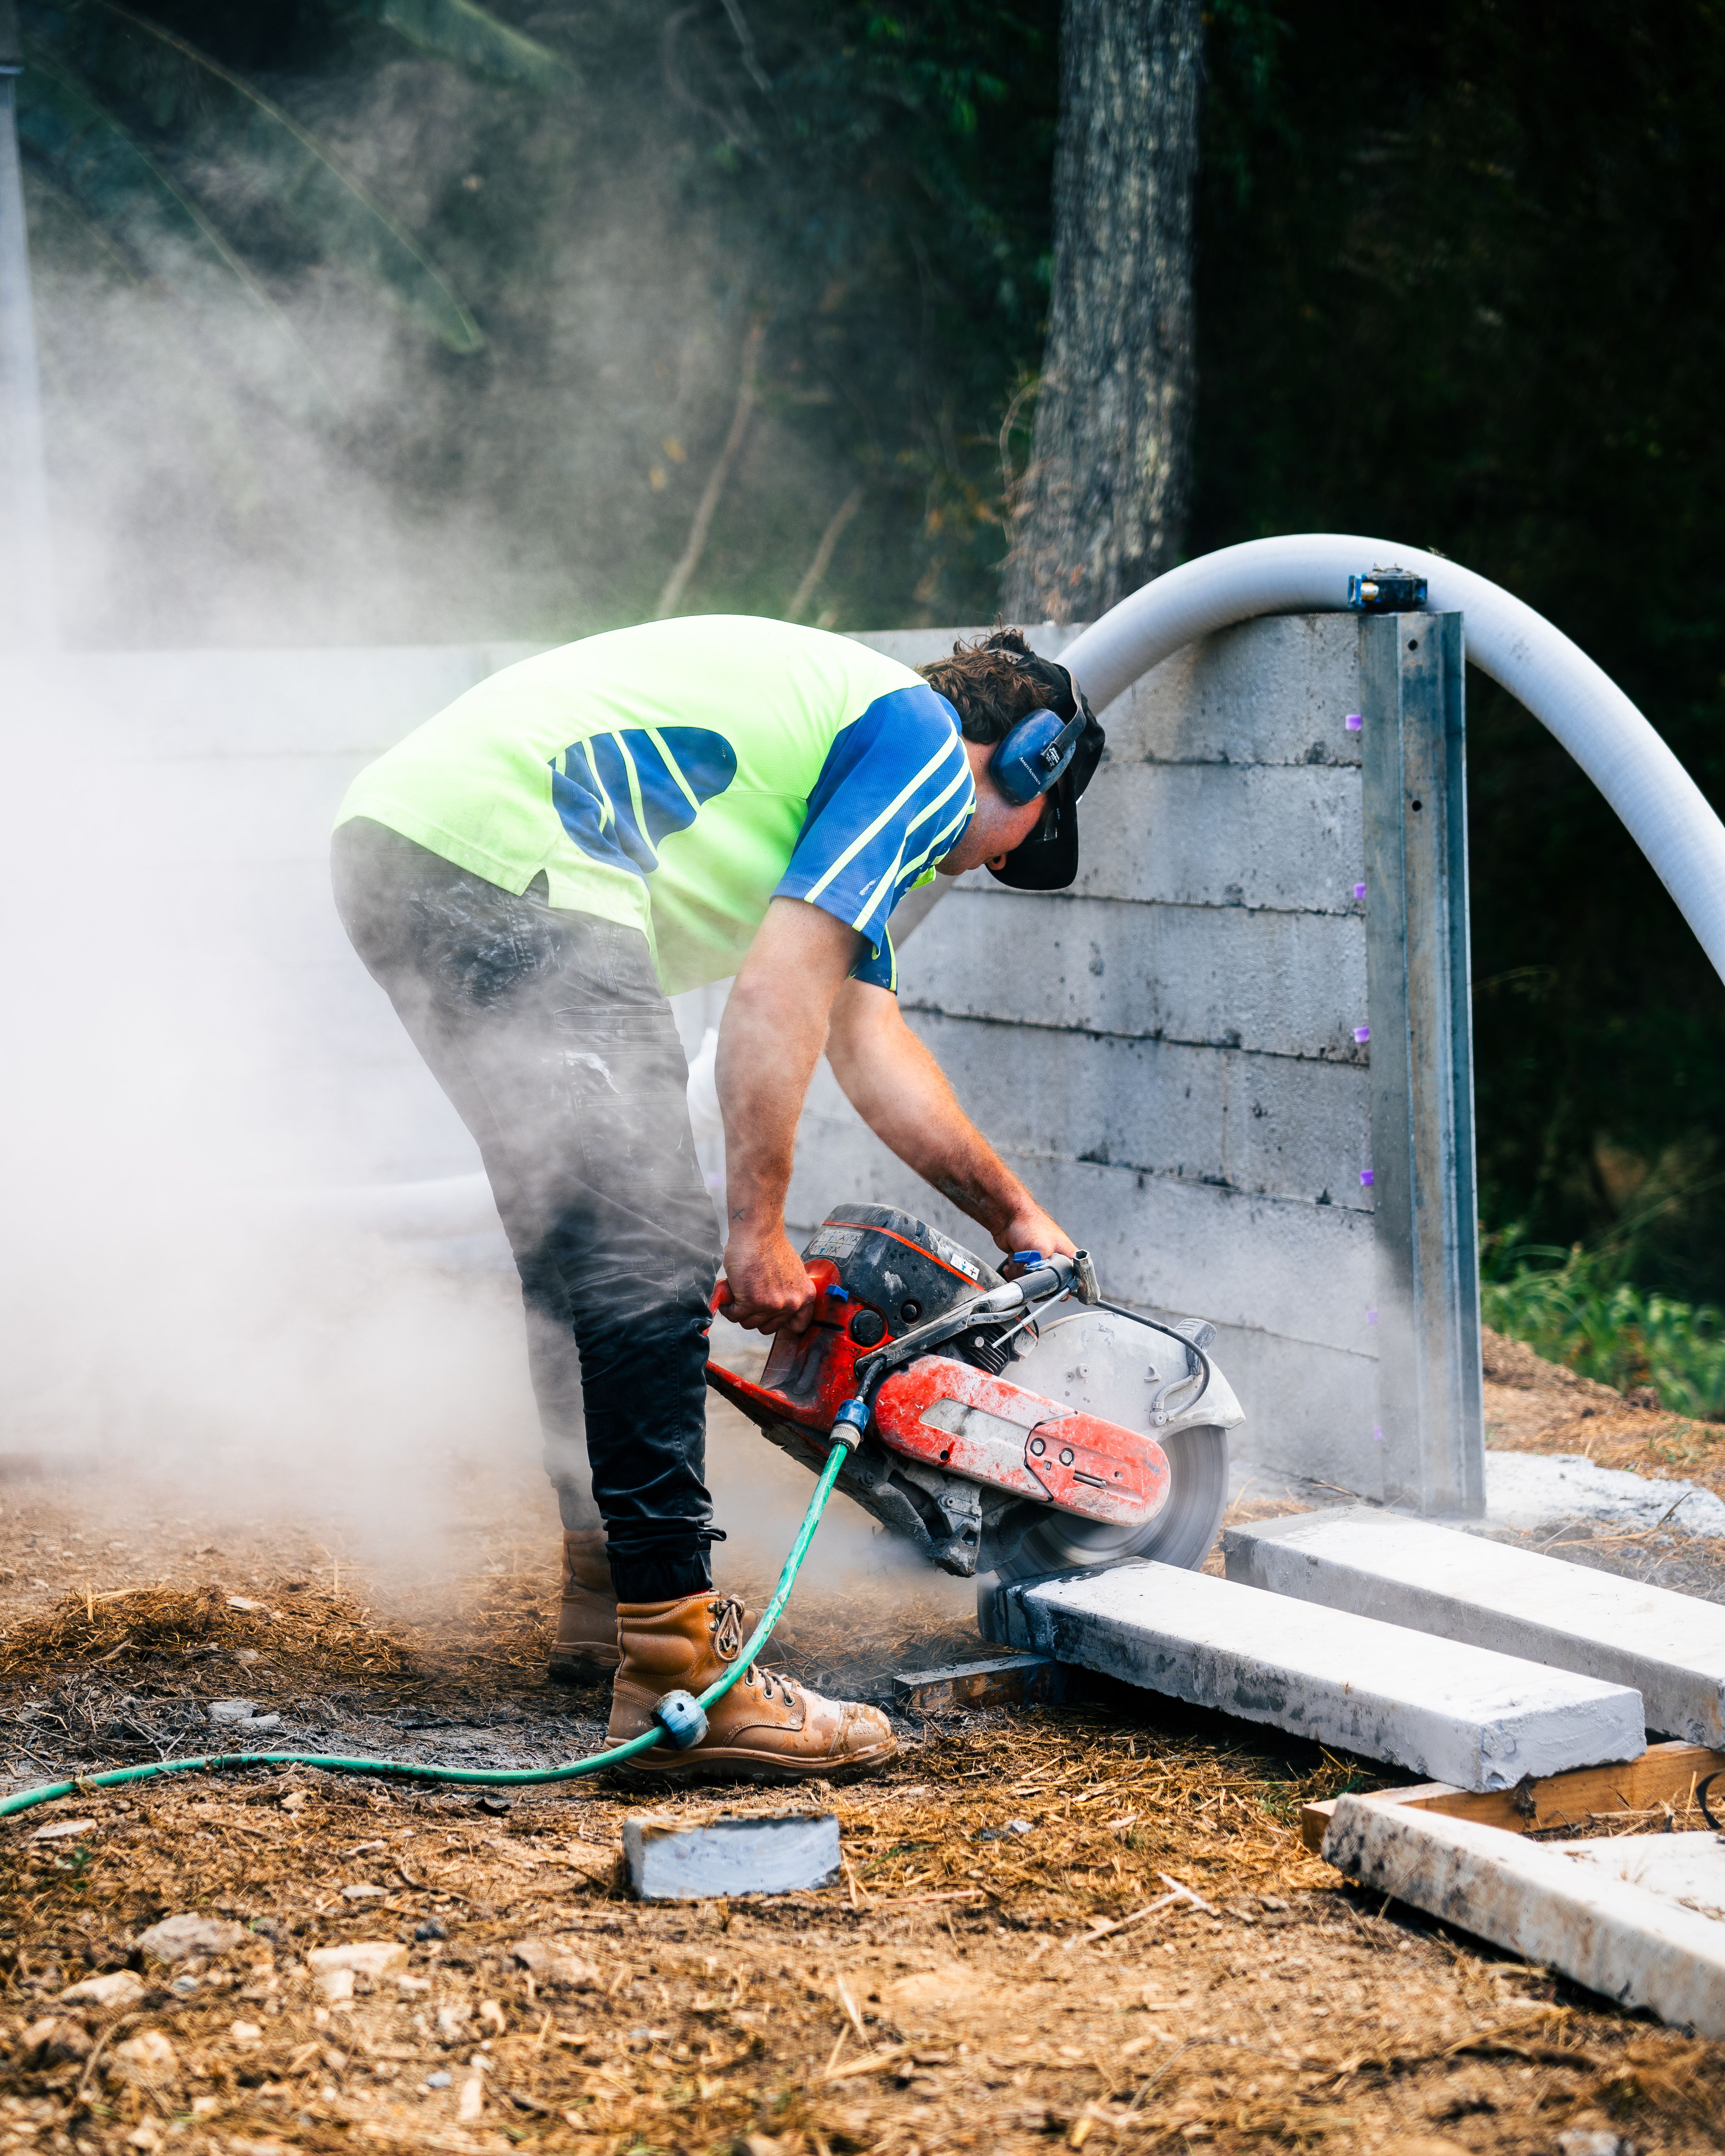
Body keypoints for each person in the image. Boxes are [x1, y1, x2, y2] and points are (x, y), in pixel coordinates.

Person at [330, 616, 1104, 1781]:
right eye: (1025, 839)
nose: (999, 862)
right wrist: (753, 1229)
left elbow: (864, 1038)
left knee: (575, 1239)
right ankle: (679, 1671)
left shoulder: (845, 762)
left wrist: (1014, 1218)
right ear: (1029, 758)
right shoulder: (925, 751)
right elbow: (780, 987)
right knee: (649, 1246)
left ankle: (612, 1597)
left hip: (408, 842)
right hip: (520, 857)